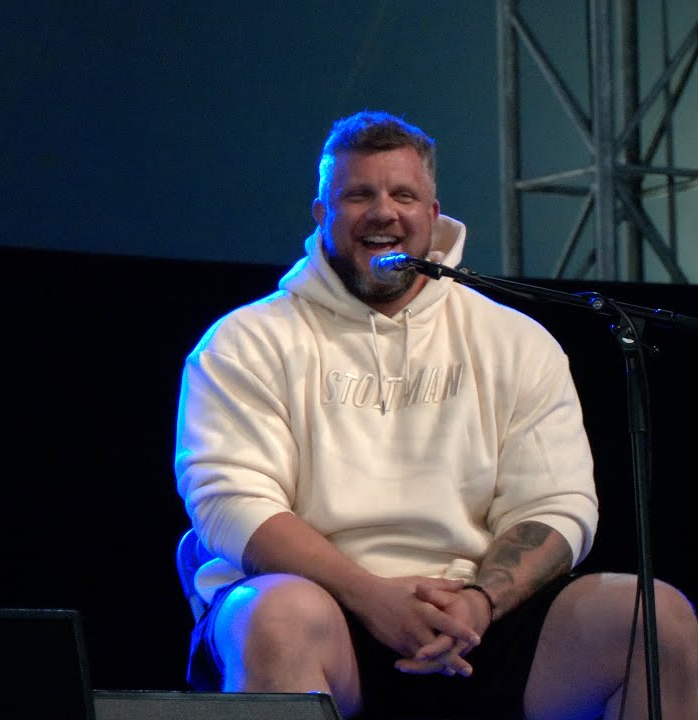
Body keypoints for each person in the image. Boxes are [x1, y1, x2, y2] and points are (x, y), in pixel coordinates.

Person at [175, 111, 698, 718]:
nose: (383, 212)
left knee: (656, 621)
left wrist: (479, 602)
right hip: (323, 607)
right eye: (357, 195)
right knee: (275, 614)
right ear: (321, 214)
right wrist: (371, 596)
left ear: (433, 214)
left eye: (403, 194)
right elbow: (230, 500)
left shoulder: (515, 340)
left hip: (480, 617)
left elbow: (557, 505)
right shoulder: (246, 340)